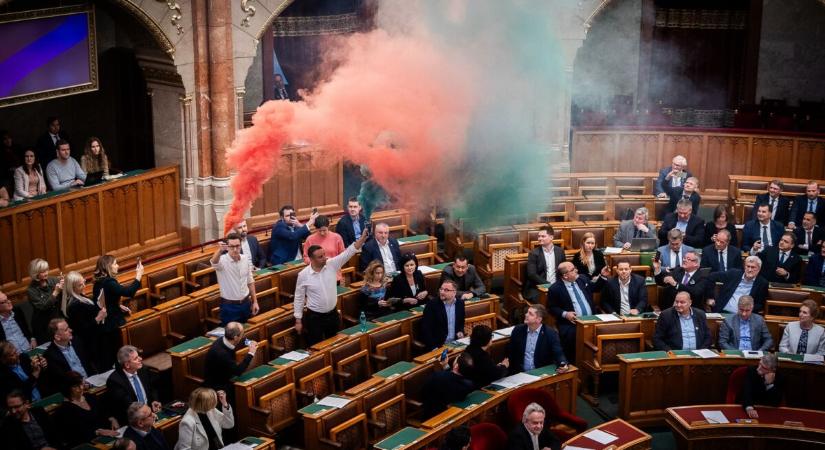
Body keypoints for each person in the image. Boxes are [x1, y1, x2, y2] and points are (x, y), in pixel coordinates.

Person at [294, 228, 368, 345]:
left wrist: (363, 238)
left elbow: (349, 252)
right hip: (315, 318)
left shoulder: (332, 264)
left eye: (324, 254)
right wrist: (298, 320)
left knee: (334, 345)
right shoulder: (303, 275)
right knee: (316, 346)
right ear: (312, 260)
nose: (325, 258)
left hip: (332, 314)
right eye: (320, 257)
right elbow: (299, 298)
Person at [549, 262, 608, 359]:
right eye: (572, 270)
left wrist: (602, 276)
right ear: (565, 275)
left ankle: (599, 359)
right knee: (573, 338)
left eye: (575, 267)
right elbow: (552, 308)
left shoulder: (582, 278)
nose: (576, 270)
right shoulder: (555, 289)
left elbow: (595, 288)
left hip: (592, 319)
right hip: (572, 324)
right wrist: (565, 314)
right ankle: (576, 362)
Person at [94, 254, 143, 368]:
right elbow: (129, 292)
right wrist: (138, 275)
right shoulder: (109, 282)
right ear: (108, 266)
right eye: (115, 263)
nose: (118, 266)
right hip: (112, 324)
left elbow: (105, 299)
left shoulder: (99, 281)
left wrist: (117, 305)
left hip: (106, 323)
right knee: (118, 353)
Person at [54, 371, 119, 447]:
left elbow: (104, 411)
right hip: (89, 444)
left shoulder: (90, 397)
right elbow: (75, 435)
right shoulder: (65, 410)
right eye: (75, 386)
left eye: (81, 384)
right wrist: (97, 432)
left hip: (108, 436)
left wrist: (112, 419)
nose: (81, 388)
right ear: (67, 388)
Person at [211, 232, 260, 326]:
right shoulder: (222, 261)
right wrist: (219, 251)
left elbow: (250, 281)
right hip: (230, 307)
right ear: (227, 247)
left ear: (241, 245)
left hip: (246, 303)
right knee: (232, 337)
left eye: (237, 246)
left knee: (247, 331)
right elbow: (213, 262)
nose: (235, 249)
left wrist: (255, 302)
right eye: (231, 246)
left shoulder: (245, 259)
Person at [204, 322, 257, 407]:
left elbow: (241, 340)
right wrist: (251, 353)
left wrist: (250, 342)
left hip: (226, 376)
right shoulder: (221, 354)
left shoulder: (224, 339)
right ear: (235, 337)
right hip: (217, 386)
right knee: (244, 396)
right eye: (242, 334)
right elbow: (238, 371)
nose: (243, 336)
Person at [105, 345, 161, 426]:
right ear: (127, 365)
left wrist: (154, 400)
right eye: (136, 358)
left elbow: (152, 387)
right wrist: (148, 415)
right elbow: (129, 405)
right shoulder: (115, 381)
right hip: (133, 421)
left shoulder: (143, 369)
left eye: (138, 356)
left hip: (150, 413)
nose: (140, 359)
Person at [505, 304, 568, 374]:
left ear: (539, 319)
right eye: (527, 312)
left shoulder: (550, 334)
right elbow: (510, 352)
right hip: (520, 373)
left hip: (540, 373)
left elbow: (558, 352)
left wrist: (563, 364)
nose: (526, 315)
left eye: (530, 314)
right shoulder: (518, 330)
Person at [61, 271, 106, 367]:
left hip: (95, 339)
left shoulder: (79, 296)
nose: (84, 286)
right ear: (72, 288)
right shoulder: (74, 305)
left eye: (84, 282)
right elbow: (82, 329)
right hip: (90, 343)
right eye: (80, 285)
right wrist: (98, 318)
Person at [42, 318, 97, 394]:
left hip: (92, 383)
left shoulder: (77, 341)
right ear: (57, 337)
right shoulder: (50, 355)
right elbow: (62, 380)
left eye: (69, 327)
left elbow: (89, 363)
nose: (71, 330)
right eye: (66, 330)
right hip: (74, 392)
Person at [421, 352, 475, 419]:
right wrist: (445, 366)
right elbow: (454, 377)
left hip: (432, 414)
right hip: (453, 413)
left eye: (456, 359)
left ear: (456, 366)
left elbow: (424, 392)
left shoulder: (437, 377)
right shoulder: (468, 385)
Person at [524, 225, 566, 302]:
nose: (539, 238)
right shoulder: (533, 253)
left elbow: (563, 269)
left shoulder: (560, 251)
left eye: (543, 236)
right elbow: (532, 274)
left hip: (557, 285)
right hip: (538, 287)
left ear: (551, 237)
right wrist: (549, 285)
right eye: (539, 236)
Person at [420, 280, 466, 350]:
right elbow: (426, 329)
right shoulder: (432, 305)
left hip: (455, 343)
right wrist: (433, 347)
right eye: (441, 289)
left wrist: (460, 331)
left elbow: (461, 322)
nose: (442, 292)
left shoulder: (460, 303)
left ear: (454, 292)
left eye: (446, 290)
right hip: (438, 345)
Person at [26, 258, 62, 344]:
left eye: (46, 270)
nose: (46, 273)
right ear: (35, 273)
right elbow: (43, 306)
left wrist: (64, 286)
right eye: (42, 271)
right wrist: (56, 292)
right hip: (43, 324)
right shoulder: (31, 290)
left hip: (57, 318)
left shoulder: (53, 280)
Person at [302, 215, 346, 280]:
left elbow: (343, 256)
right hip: (316, 275)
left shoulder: (337, 237)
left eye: (324, 230)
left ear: (328, 227)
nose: (322, 233)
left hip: (334, 274)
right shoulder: (310, 239)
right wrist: (317, 263)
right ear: (315, 228)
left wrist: (332, 261)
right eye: (319, 231)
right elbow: (306, 257)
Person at [740, 353, 783, 419]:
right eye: (759, 364)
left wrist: (769, 384)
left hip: (767, 411)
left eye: (763, 367)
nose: (758, 368)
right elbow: (746, 392)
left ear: (772, 370)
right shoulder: (751, 370)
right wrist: (749, 408)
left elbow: (776, 402)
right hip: (750, 407)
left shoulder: (779, 376)